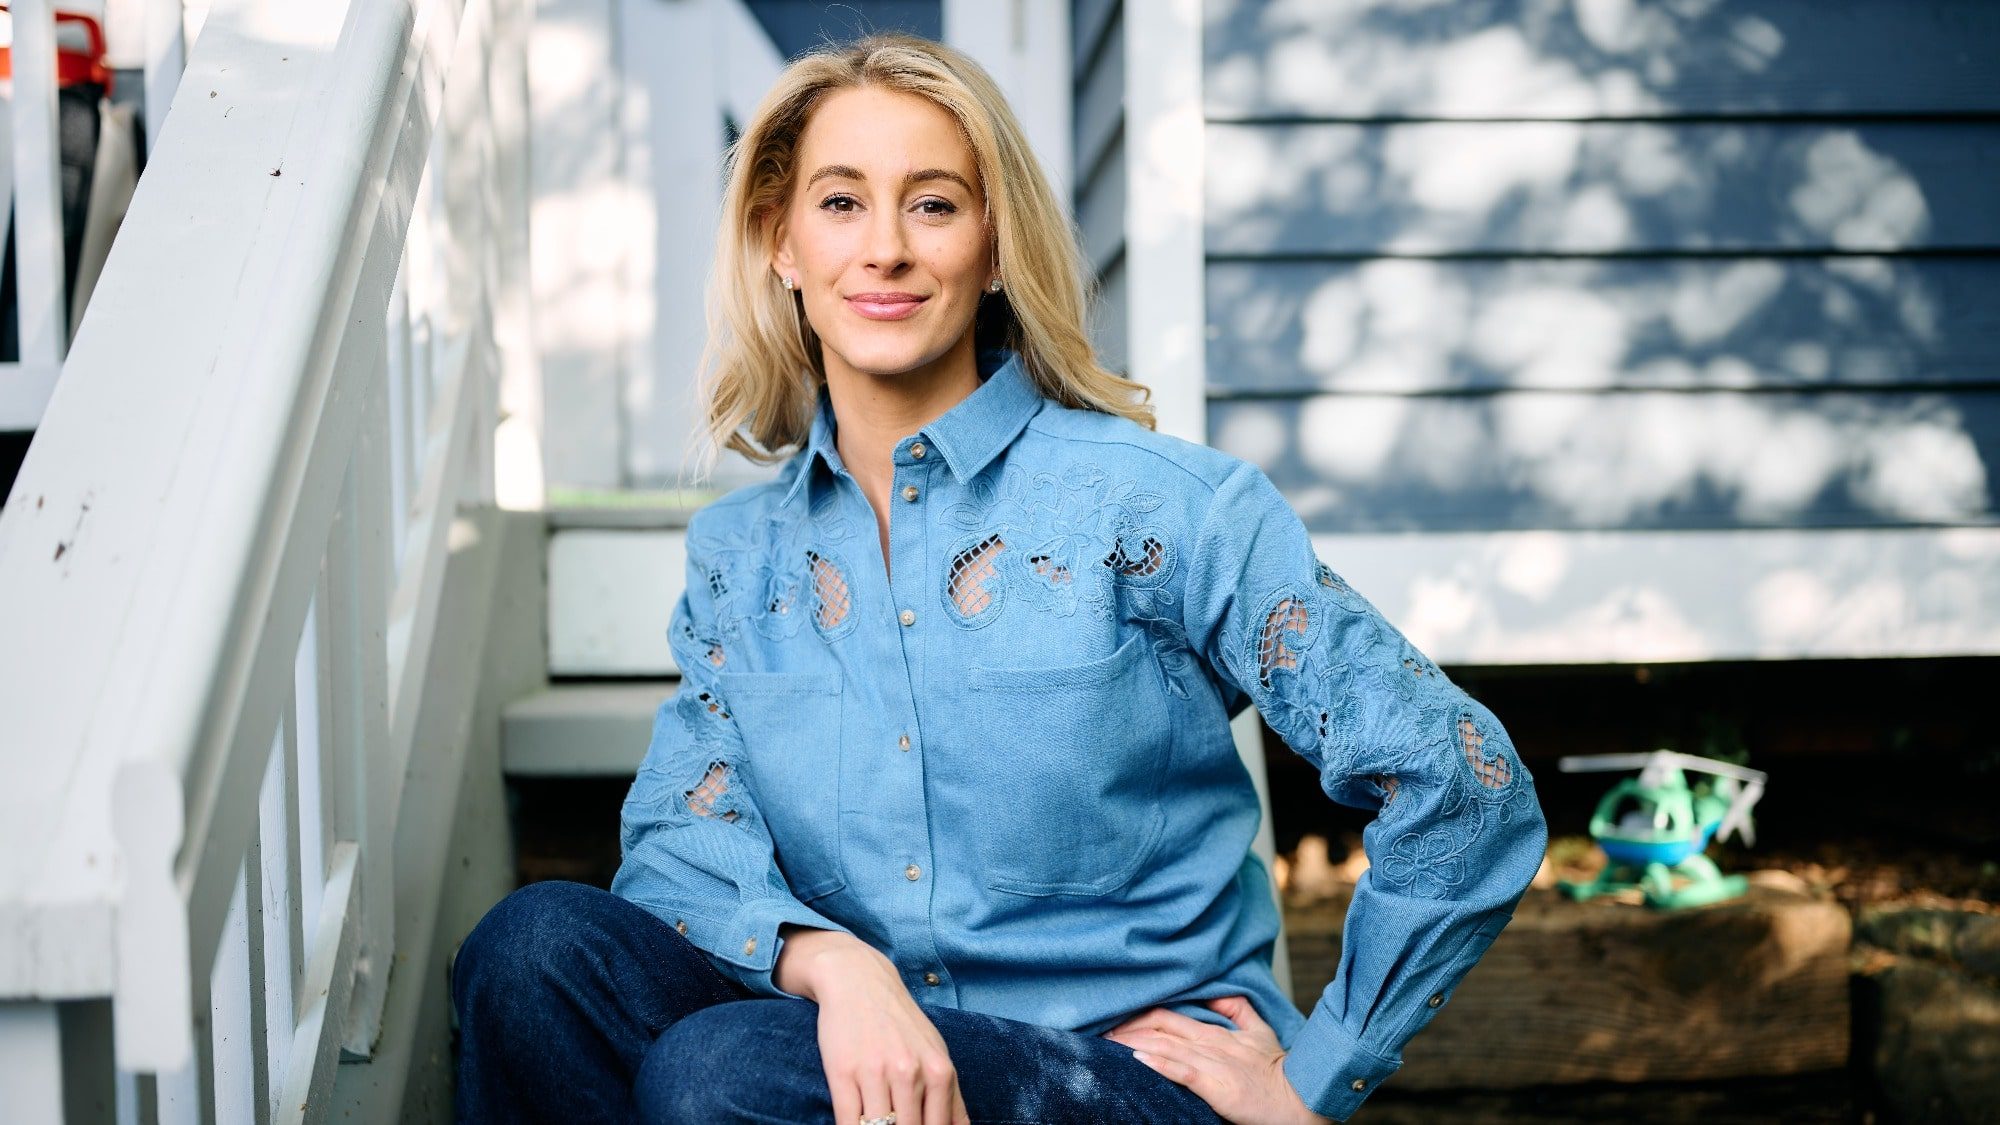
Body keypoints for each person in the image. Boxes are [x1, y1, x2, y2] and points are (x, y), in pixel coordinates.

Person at [451, 31, 1546, 1125]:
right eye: (839, 203)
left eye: (931, 205)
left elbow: (1459, 783)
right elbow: (677, 849)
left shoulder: (1155, 509)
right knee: (532, 952)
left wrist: (1315, 1080)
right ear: (777, 243)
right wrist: (834, 968)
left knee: (721, 1073)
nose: (882, 249)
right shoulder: (743, 559)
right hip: (854, 1043)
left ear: (992, 248)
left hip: (1121, 1073)